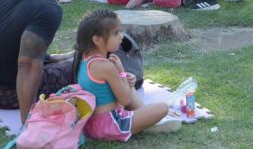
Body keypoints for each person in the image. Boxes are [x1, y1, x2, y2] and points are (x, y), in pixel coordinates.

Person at [75, 9, 179, 141]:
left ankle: (144, 117)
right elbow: (125, 100)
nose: (122, 36)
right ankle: (147, 123)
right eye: (116, 33)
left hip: (92, 124)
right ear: (97, 40)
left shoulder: (85, 58)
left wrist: (123, 78)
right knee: (162, 108)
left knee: (128, 83)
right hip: (110, 125)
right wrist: (121, 72)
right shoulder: (105, 66)